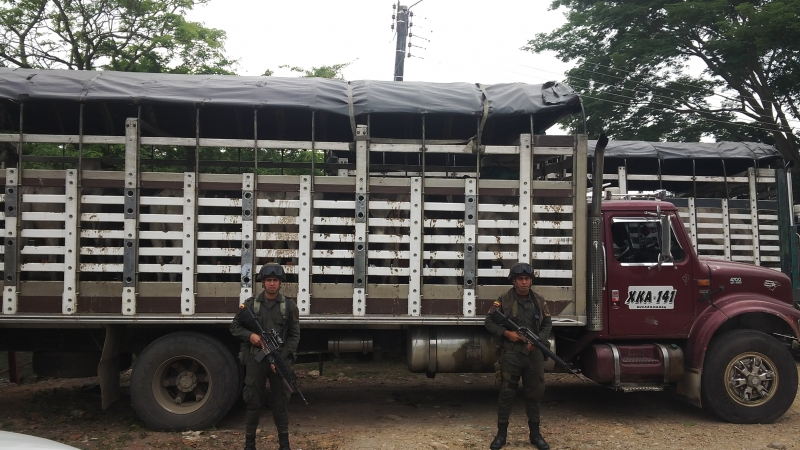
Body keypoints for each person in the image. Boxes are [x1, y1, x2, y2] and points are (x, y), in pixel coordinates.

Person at [230, 263, 301, 450]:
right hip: (256, 360)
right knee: (253, 402)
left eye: (275, 280)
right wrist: (251, 336)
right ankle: (250, 444)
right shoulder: (251, 304)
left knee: (280, 404)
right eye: (268, 280)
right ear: (263, 283)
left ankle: (284, 444)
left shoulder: (289, 306)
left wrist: (282, 358)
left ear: (280, 283)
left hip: (278, 361)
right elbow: (235, 327)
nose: (271, 284)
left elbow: (294, 336)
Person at [485, 262, 553, 450]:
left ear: (531, 281)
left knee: (534, 394)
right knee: (506, 393)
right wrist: (508, 334)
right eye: (520, 279)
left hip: (534, 355)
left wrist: (538, 340)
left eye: (527, 279)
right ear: (514, 281)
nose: (524, 282)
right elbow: (489, 321)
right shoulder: (504, 299)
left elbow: (547, 324)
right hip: (512, 355)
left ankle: (535, 435)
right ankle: (501, 435)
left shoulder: (539, 300)